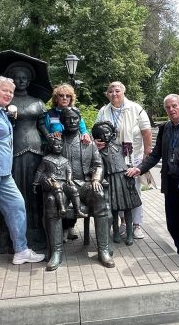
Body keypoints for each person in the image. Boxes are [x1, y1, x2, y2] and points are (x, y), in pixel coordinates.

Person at [0, 76, 45, 273]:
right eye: (4, 90)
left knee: (17, 207)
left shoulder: (0, 111)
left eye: (11, 92)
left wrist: (10, 117)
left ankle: (21, 250)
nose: (9, 94)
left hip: (5, 173)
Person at [127, 94, 179, 265]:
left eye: (174, 106)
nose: (171, 110)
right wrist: (140, 168)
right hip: (171, 182)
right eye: (167, 107)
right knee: (173, 223)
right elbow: (156, 153)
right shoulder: (165, 128)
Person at [44, 107, 114, 270]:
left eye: (75, 118)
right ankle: (56, 252)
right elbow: (46, 164)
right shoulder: (56, 140)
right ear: (62, 121)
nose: (72, 121)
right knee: (52, 200)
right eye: (68, 118)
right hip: (64, 185)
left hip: (85, 185)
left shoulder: (87, 141)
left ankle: (103, 250)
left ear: (80, 120)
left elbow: (98, 164)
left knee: (99, 194)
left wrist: (96, 178)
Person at [0, 62, 49, 253]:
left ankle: (35, 236)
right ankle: (6, 240)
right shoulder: (4, 103)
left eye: (24, 77)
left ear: (30, 80)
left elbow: (42, 126)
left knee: (34, 193)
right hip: (11, 151)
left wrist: (51, 138)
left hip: (35, 149)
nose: (21, 80)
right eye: (17, 77)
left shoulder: (38, 102)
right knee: (12, 195)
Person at [96, 81, 152, 240]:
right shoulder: (103, 111)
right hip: (112, 158)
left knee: (133, 190)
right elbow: (97, 130)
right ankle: (123, 222)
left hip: (132, 155)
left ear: (124, 92)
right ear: (107, 94)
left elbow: (146, 131)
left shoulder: (135, 108)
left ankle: (137, 224)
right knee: (117, 190)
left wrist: (147, 153)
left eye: (117, 90)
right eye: (111, 91)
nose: (114, 93)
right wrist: (96, 142)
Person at [45, 83, 91, 242]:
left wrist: (85, 134)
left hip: (73, 154)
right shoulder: (50, 114)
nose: (64, 98)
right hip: (56, 154)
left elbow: (83, 129)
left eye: (68, 96)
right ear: (55, 98)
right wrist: (52, 135)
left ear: (71, 98)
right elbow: (44, 131)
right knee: (59, 192)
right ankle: (61, 230)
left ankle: (70, 227)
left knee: (73, 189)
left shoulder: (75, 112)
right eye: (61, 95)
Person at [92, 121, 142, 246]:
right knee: (113, 209)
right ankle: (115, 232)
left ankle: (130, 234)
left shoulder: (120, 147)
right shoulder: (99, 152)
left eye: (108, 132)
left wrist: (131, 175)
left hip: (124, 179)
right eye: (102, 134)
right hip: (110, 181)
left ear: (113, 133)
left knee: (128, 209)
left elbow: (128, 161)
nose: (105, 136)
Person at [34, 135, 87, 219]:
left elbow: (69, 170)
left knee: (74, 189)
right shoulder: (46, 159)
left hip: (64, 182)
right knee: (57, 186)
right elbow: (39, 172)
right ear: (51, 146)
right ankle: (62, 208)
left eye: (61, 145)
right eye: (56, 145)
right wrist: (35, 183)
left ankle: (78, 211)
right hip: (53, 182)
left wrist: (69, 179)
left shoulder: (65, 160)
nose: (59, 147)